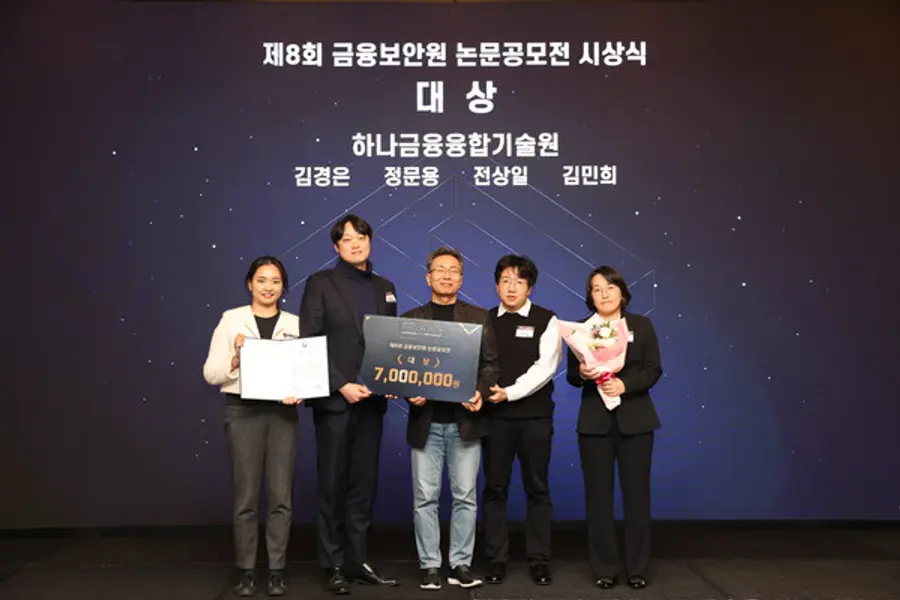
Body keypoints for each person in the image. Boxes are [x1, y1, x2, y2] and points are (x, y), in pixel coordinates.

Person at [299, 215, 399, 594]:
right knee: (332, 485)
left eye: (361, 237)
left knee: (363, 484)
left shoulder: (385, 287)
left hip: (372, 403)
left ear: (370, 241)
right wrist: (341, 384)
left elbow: (390, 344)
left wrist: (392, 380)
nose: (355, 244)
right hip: (336, 402)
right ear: (336, 246)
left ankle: (357, 560)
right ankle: (333, 564)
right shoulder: (321, 283)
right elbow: (310, 340)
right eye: (347, 239)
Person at [202, 255, 302, 597]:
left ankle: (276, 570)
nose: (268, 287)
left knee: (280, 496)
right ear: (250, 284)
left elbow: (306, 374)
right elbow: (211, 374)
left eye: (275, 281)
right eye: (262, 280)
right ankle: (246, 570)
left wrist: (300, 391)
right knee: (246, 496)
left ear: (283, 287)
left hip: (282, 416)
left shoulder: (295, 324)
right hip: (242, 412)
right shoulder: (232, 320)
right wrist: (235, 357)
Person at [403, 246, 499, 591]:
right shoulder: (411, 319)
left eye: (453, 270)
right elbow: (402, 366)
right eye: (440, 269)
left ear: (461, 278)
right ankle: (430, 565)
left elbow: (490, 364)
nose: (446, 275)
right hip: (426, 421)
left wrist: (480, 391)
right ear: (428, 277)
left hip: (465, 422)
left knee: (465, 496)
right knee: (425, 497)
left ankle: (461, 563)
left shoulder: (479, 317)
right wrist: (408, 390)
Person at [566, 265, 662, 590]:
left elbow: (653, 369)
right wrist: (582, 372)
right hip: (595, 424)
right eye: (597, 289)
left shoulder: (641, 326)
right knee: (598, 498)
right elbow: (571, 376)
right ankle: (604, 568)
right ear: (590, 296)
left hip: (636, 421)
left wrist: (624, 385)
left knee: (637, 497)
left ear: (622, 292)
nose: (604, 294)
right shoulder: (581, 330)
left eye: (610, 287)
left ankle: (638, 568)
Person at [482, 255, 562, 586]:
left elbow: (546, 367)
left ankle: (539, 560)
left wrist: (510, 393)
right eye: (505, 280)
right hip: (494, 418)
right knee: (494, 488)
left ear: (530, 287)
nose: (511, 287)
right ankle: (495, 559)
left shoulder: (547, 319)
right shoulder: (484, 319)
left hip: (535, 418)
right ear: (496, 285)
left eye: (519, 281)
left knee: (537, 488)